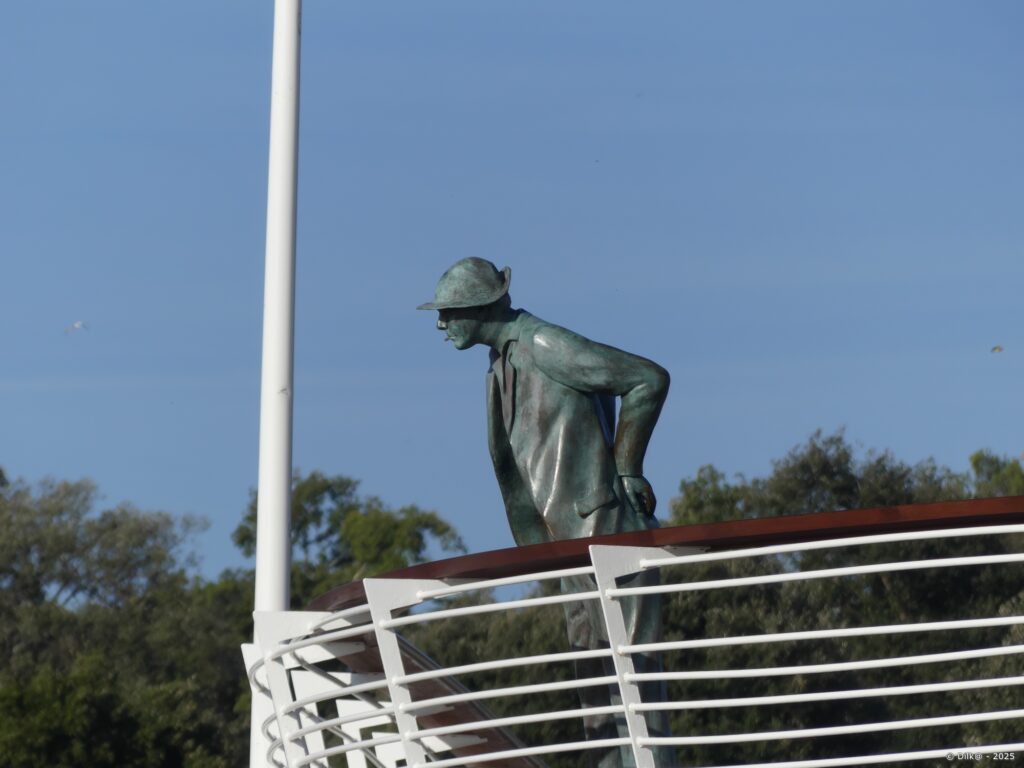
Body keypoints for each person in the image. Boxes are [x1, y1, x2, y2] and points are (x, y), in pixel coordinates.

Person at [419, 257, 671, 768]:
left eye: (448, 312)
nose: (440, 324)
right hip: (568, 552)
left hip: (608, 534)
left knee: (634, 697)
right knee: (596, 704)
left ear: (479, 309)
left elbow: (647, 379)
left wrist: (626, 469)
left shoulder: (542, 344)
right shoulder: (499, 367)